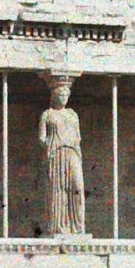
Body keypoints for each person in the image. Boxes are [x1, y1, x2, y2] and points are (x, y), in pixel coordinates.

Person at [39, 76, 85, 236]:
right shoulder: (47, 114)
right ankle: (58, 226)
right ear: (54, 95)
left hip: (72, 152)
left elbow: (78, 136)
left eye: (66, 95)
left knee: (77, 186)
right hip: (56, 154)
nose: (63, 97)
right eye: (60, 94)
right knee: (57, 189)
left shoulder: (73, 114)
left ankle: (77, 227)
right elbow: (42, 137)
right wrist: (51, 144)